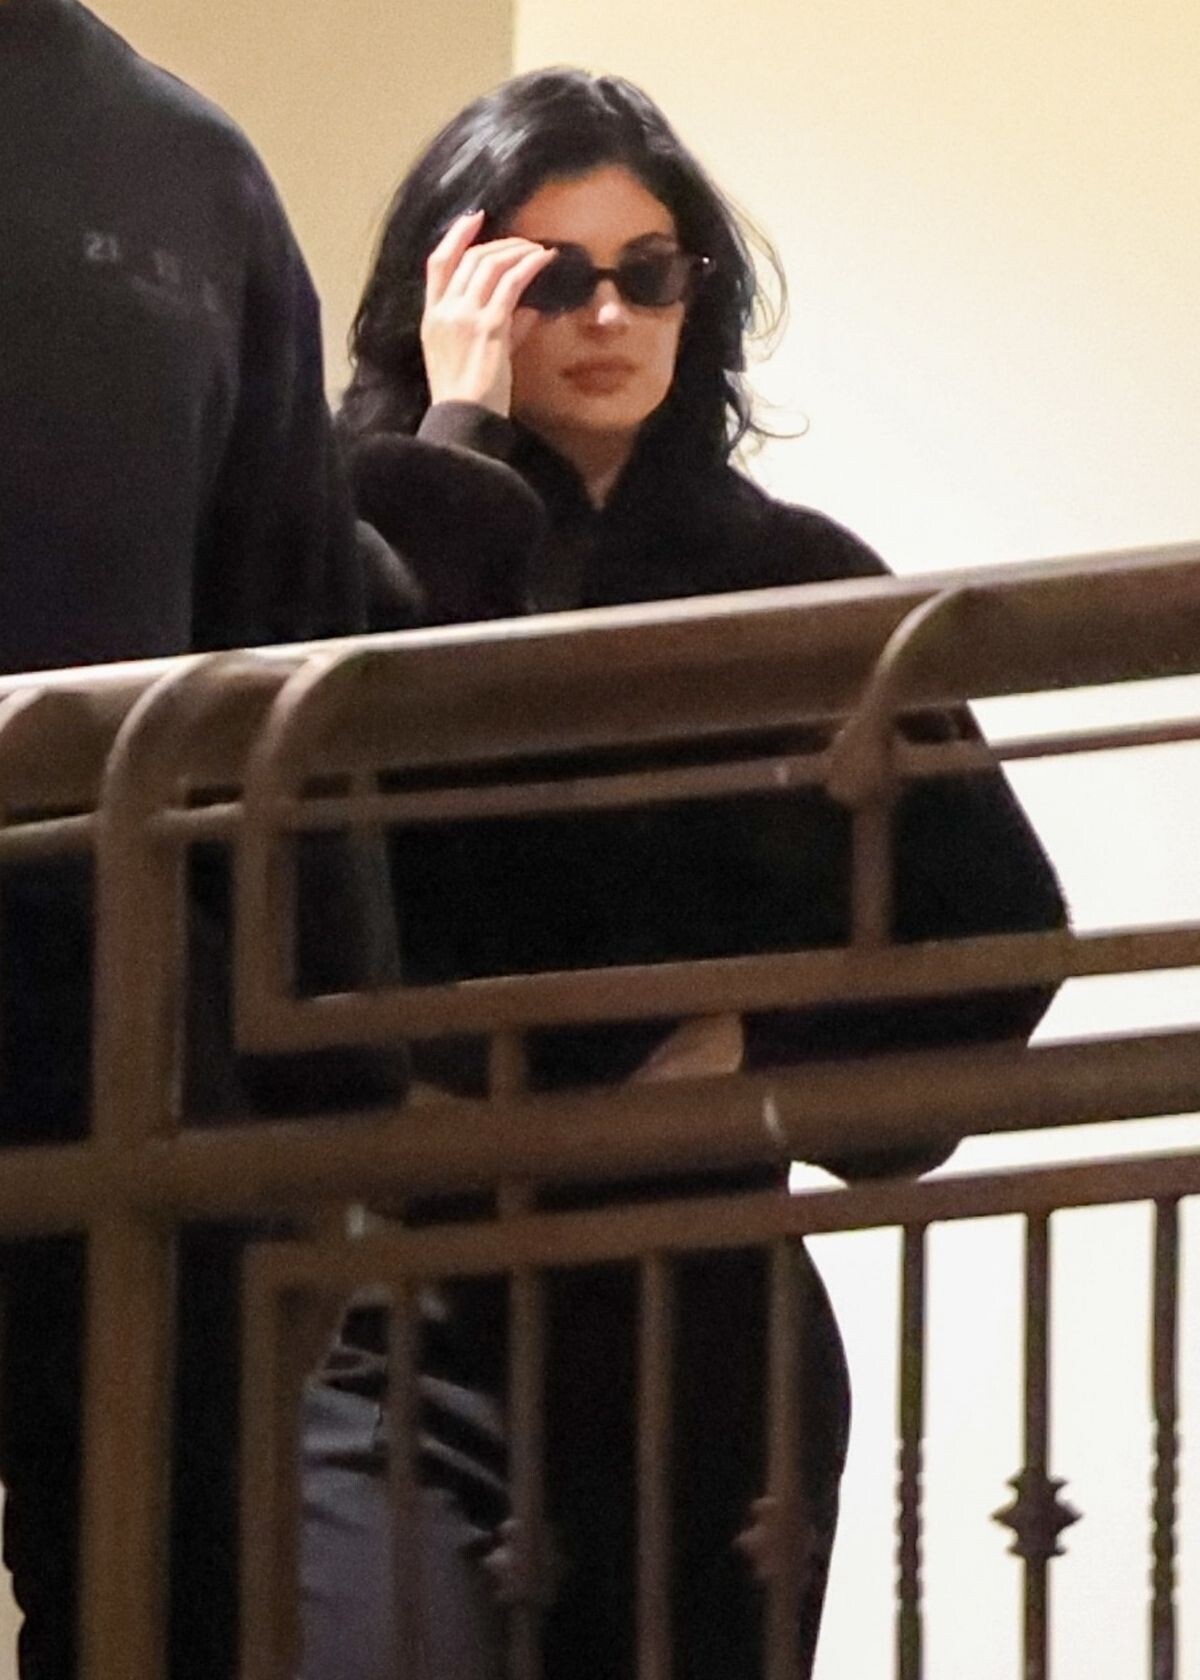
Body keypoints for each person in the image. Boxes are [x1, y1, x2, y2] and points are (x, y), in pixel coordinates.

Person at [300, 66, 1069, 1680]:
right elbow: (333, 829)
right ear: (452, 286)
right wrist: (456, 445)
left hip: (703, 1313)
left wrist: (762, 1052)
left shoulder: (792, 578)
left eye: (646, 273)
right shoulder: (348, 536)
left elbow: (999, 930)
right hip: (394, 1289)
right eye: (548, 274)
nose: (606, 314)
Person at [0, 2, 411, 1675]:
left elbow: (287, 633)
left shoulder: (190, 170)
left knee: (169, 1598)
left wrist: (337, 1096)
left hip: (125, 1025)